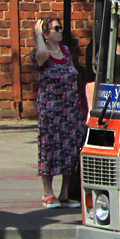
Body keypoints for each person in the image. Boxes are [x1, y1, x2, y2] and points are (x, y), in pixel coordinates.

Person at [32, 17, 84, 208]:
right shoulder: (40, 53)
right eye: (56, 28)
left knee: (70, 150)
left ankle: (64, 193)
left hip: (69, 109)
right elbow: (42, 57)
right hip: (51, 110)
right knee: (50, 149)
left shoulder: (66, 51)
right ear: (46, 34)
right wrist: (38, 36)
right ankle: (48, 192)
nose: (61, 31)